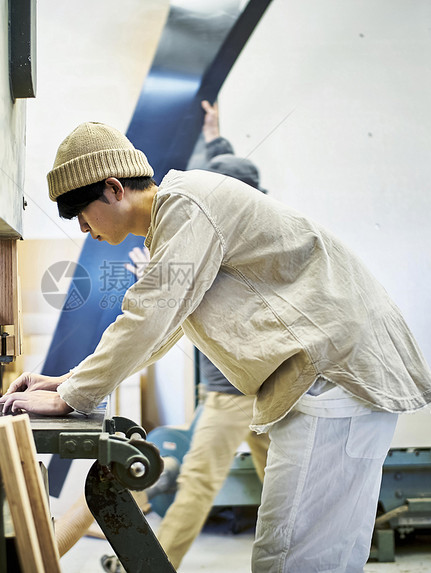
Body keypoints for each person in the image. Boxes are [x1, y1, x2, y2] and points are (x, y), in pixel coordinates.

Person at [0, 112, 431, 571]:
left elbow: (148, 316)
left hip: (334, 374)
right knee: (321, 553)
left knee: (290, 558)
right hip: (333, 375)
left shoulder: (186, 207)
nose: (84, 230)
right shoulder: (176, 219)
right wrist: (66, 382)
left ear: (113, 189)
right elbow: (162, 330)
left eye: (82, 215)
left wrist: (72, 396)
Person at [99, 100, 271, 573]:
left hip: (234, 388)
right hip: (251, 383)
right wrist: (215, 132)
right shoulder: (236, 219)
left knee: (198, 480)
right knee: (275, 482)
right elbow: (228, 169)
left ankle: (152, 565)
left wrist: (156, 273)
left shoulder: (215, 231)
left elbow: (166, 308)